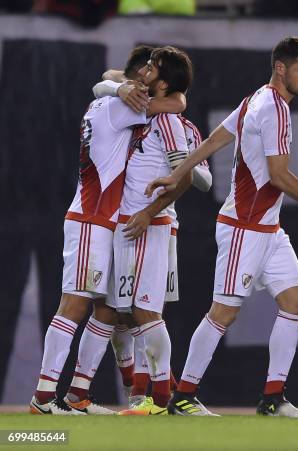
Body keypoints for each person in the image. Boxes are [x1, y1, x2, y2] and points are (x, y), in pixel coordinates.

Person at [145, 36, 298, 417]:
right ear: (281, 68)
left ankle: (273, 398)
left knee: (295, 304)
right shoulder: (272, 108)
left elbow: (215, 139)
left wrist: (177, 172)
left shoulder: (255, 100)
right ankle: (183, 395)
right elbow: (278, 176)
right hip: (244, 228)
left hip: (268, 228)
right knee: (222, 314)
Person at [29, 46, 185, 415]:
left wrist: (113, 85)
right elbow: (177, 101)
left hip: (101, 220)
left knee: (105, 310)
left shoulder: (112, 100)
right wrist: (119, 88)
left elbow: (111, 80)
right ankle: (43, 396)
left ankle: (77, 395)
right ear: (138, 82)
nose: (149, 75)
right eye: (146, 71)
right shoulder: (123, 107)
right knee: (74, 305)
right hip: (90, 219)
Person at [101, 45, 195, 416]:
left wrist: (148, 213)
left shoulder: (169, 121)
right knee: (130, 312)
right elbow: (108, 79)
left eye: (153, 67)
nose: (145, 69)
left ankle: (157, 398)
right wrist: (123, 87)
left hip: (149, 224)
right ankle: (148, 394)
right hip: (132, 222)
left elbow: (183, 175)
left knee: (145, 312)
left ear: (165, 82)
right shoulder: (147, 110)